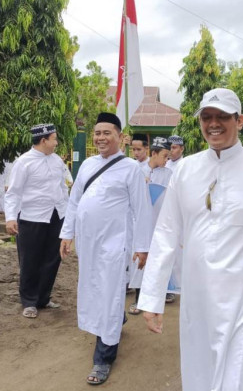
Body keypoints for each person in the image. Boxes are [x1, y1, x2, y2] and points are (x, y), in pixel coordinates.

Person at [138, 88, 243, 391]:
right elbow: (167, 233)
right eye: (207, 117)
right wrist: (152, 297)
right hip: (198, 297)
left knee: (240, 380)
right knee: (199, 377)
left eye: (222, 117)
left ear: (239, 120)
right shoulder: (187, 169)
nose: (213, 124)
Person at [59, 112, 152, 385]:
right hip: (88, 245)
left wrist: (142, 246)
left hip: (115, 245)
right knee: (94, 290)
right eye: (97, 133)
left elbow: (142, 209)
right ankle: (115, 320)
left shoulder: (131, 169)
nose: (100, 138)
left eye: (106, 133)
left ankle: (103, 358)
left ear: (120, 137)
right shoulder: (87, 164)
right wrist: (67, 234)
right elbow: (75, 201)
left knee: (110, 294)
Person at [4, 124, 68, 319]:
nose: (56, 143)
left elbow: (63, 188)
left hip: (56, 216)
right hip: (32, 217)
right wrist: (11, 218)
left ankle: (43, 298)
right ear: (43, 141)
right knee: (30, 260)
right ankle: (29, 302)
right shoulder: (24, 163)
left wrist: (67, 213)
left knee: (52, 258)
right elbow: (13, 193)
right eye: (54, 139)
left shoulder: (57, 161)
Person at [128, 137, 173, 314]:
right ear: (154, 153)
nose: (166, 160)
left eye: (168, 157)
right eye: (164, 156)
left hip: (160, 224)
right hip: (139, 225)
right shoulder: (137, 171)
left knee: (157, 262)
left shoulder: (169, 174)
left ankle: (154, 299)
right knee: (139, 262)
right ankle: (138, 300)